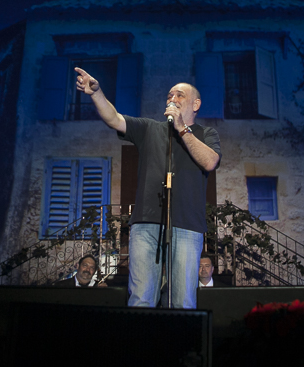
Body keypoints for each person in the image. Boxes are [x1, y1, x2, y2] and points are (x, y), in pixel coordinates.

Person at [74, 68, 220, 309]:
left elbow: (210, 162)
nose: (172, 98)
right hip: (146, 223)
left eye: (180, 95)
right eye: (169, 95)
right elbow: (114, 119)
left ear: (196, 104)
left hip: (187, 225)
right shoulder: (150, 128)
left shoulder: (207, 134)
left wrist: (182, 128)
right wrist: (96, 93)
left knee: (182, 301)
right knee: (141, 298)